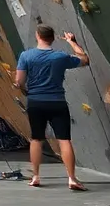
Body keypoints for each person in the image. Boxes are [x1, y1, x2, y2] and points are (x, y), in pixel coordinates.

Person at [16, 25, 89, 190]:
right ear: (53, 38)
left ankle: (35, 176)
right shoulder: (60, 56)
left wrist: (25, 91)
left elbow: (19, 81)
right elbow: (85, 59)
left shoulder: (26, 56)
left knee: (36, 139)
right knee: (64, 140)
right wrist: (72, 42)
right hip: (57, 102)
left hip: (35, 101)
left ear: (37, 36)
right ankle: (72, 178)